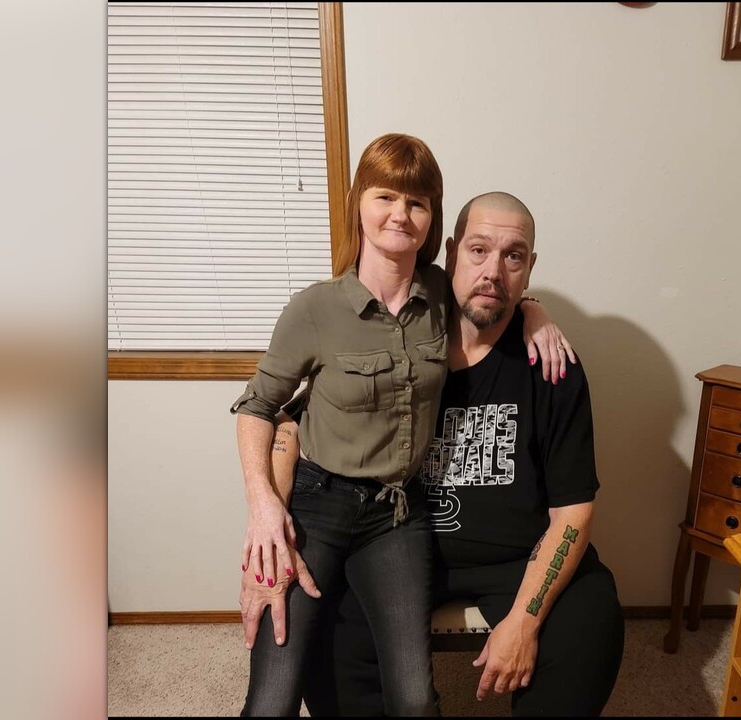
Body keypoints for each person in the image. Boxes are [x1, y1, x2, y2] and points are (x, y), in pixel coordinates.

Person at [229, 135, 574, 717]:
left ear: (432, 219)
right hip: (317, 505)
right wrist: (264, 506)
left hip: (396, 515)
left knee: (415, 699)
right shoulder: (314, 309)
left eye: (417, 202)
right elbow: (257, 407)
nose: (400, 214)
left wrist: (535, 313)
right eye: (385, 196)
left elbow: (495, 288)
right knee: (274, 696)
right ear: (359, 204)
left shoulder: (441, 294)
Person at [285, 192, 625, 716]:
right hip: (392, 549)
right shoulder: (397, 335)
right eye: (478, 250)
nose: (493, 272)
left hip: (517, 559)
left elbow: (573, 511)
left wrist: (525, 619)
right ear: (450, 253)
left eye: (513, 256)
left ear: (530, 268)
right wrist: (266, 511)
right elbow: (290, 423)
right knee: (323, 638)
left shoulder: (552, 365)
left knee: (592, 617)